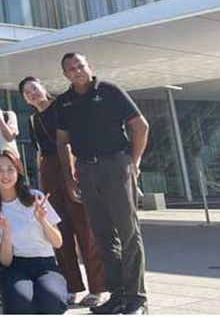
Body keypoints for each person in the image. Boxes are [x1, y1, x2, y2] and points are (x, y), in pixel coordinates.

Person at [55, 53, 149, 315]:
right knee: (103, 236)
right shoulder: (64, 103)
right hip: (86, 170)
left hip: (115, 165)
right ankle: (118, 295)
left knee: (128, 233)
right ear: (65, 75)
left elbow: (140, 126)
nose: (76, 71)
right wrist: (68, 176)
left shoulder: (110, 91)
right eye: (70, 69)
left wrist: (134, 161)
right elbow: (62, 143)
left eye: (80, 66)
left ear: (89, 67)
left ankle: (137, 299)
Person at [20, 76, 106, 308]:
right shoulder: (32, 119)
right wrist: (40, 184)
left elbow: (75, 140)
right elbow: (39, 153)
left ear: (43, 87)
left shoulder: (63, 106)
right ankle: (72, 286)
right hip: (49, 170)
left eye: (34, 88)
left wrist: (76, 172)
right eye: (27, 93)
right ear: (25, 99)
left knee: (85, 229)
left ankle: (97, 288)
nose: (33, 94)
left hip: (71, 164)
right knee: (60, 231)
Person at [0, 151, 68, 314]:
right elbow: (5, 261)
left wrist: (42, 220)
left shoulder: (36, 198)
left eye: (10, 169)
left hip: (45, 264)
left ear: (18, 171)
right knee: (20, 301)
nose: (5, 175)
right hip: (16, 266)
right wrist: (6, 233)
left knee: (51, 299)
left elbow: (58, 242)